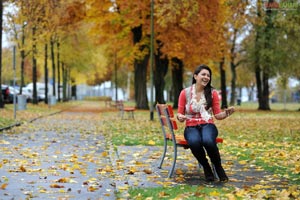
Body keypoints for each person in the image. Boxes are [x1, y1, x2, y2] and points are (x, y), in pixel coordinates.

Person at [177, 64, 235, 182]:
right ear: (195, 76)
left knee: (208, 140)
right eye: (203, 74)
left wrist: (226, 113)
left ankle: (218, 167)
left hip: (208, 125)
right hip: (191, 126)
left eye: (208, 75)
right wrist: (181, 117)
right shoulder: (185, 93)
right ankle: (207, 167)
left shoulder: (213, 93)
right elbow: (179, 114)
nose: (206, 77)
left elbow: (218, 115)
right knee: (194, 142)